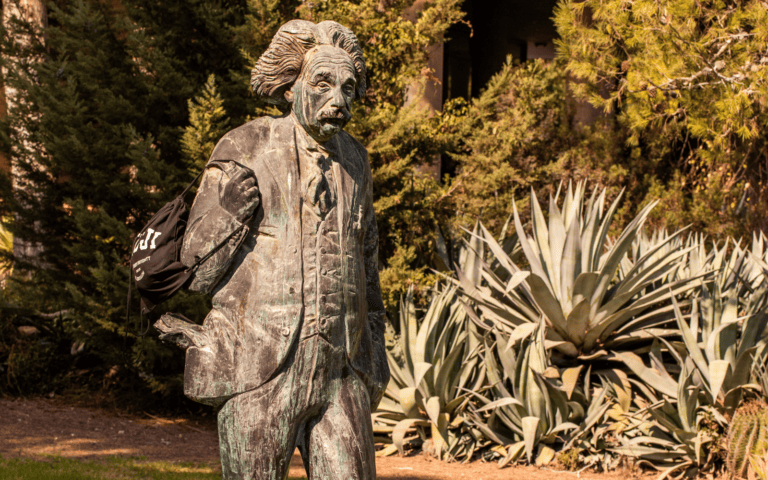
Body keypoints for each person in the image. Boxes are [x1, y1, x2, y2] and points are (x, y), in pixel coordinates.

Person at [156, 19, 389, 480]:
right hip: (258, 367)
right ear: (290, 87)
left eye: (348, 87)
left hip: (343, 371)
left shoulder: (356, 160)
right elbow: (197, 274)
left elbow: (367, 262)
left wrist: (374, 359)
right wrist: (228, 214)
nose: (338, 101)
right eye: (322, 84)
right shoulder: (246, 146)